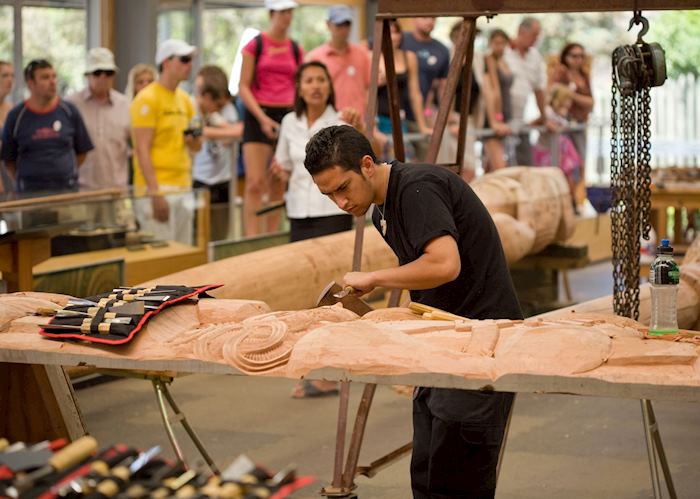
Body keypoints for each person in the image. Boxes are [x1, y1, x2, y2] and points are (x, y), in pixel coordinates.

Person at [304, 125, 522, 498]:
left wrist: (374, 278)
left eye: (343, 188)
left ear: (368, 165)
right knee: (428, 473)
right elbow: (428, 275)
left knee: (458, 478)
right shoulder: (382, 212)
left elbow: (444, 264)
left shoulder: (417, 189)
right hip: (445, 340)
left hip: (480, 341)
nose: (340, 203)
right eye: (329, 195)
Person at [272, 62, 362, 397]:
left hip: (332, 211)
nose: (315, 86)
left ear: (329, 85)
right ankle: (307, 366)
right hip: (299, 213)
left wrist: (360, 125)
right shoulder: (289, 122)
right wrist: (278, 173)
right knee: (305, 293)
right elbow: (282, 163)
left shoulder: (340, 120)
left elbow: (364, 158)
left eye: (321, 79)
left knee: (334, 295)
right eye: (308, 80)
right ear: (298, 86)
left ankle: (333, 369)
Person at [239, 0, 303, 236]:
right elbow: (243, 86)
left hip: (287, 113)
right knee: (255, 182)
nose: (287, 17)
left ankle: (272, 234)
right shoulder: (255, 45)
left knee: (279, 178)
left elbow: (298, 84)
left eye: (290, 12)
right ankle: (252, 236)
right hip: (259, 113)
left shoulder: (295, 48)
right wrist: (262, 118)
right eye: (283, 11)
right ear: (272, 13)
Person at [130, 39, 201, 242]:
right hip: (156, 189)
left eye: (190, 60)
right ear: (166, 62)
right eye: (184, 60)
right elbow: (142, 149)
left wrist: (193, 141)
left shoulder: (186, 100)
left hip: (184, 186)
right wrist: (155, 193)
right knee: (160, 256)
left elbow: (196, 145)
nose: (189, 66)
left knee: (184, 254)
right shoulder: (146, 99)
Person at [1, 59, 93, 194]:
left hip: (66, 190)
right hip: (30, 193)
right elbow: (9, 160)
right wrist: (28, 181)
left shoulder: (69, 111)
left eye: (54, 76)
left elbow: (82, 152)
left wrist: (64, 173)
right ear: (31, 83)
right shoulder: (16, 116)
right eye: (45, 77)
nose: (52, 82)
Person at [67, 48, 130, 190]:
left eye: (108, 73)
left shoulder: (125, 105)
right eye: (97, 73)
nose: (103, 78)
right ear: (87, 75)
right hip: (82, 189)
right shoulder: (71, 105)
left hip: (116, 189)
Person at [306, 5, 371, 117]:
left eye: (347, 24)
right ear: (328, 25)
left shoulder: (362, 54)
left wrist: (371, 117)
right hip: (328, 120)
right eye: (339, 25)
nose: (343, 30)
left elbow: (369, 89)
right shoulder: (316, 57)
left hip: (358, 120)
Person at [192, 65, 242, 208]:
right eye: (218, 104)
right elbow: (196, 135)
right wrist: (217, 131)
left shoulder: (226, 110)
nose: (221, 107)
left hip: (224, 180)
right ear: (206, 97)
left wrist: (207, 132)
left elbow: (238, 132)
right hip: (199, 179)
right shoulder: (192, 108)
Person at [550, 42, 593, 204]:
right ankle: (566, 200)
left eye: (581, 56)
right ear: (566, 57)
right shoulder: (560, 74)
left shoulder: (584, 76)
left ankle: (576, 198)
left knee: (579, 164)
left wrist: (573, 95)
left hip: (579, 125)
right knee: (567, 165)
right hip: (564, 126)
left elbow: (590, 102)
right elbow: (555, 98)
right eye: (574, 56)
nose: (578, 60)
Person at [401, 17, 450, 160]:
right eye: (425, 17)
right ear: (413, 18)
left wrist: (445, 117)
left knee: (426, 163)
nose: (430, 21)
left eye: (433, 18)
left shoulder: (441, 50)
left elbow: (442, 87)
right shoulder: (399, 40)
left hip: (422, 115)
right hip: (394, 116)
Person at [504, 17, 548, 166]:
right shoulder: (504, 51)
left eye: (538, 35)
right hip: (502, 118)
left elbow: (539, 88)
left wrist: (543, 115)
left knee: (525, 163)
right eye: (534, 35)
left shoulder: (535, 56)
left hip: (520, 120)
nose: (536, 39)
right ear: (521, 32)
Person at [377, 20, 430, 142]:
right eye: (389, 33)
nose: (393, 37)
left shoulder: (408, 57)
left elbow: (415, 93)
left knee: (402, 157)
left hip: (400, 118)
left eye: (396, 32)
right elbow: (367, 92)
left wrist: (422, 126)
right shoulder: (372, 56)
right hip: (379, 119)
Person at [533, 83, 581, 207]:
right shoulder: (548, 113)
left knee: (567, 174)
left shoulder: (562, 116)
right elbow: (536, 122)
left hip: (557, 153)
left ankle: (570, 200)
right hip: (546, 152)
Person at [481, 29, 514, 172]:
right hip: (495, 115)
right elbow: (495, 91)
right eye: (496, 43)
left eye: (502, 43)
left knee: (491, 166)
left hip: (505, 113)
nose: (499, 46)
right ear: (490, 43)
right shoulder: (490, 60)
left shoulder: (504, 61)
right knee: (500, 167)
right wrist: (497, 117)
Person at [0, 60, 15, 194]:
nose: (10, 80)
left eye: (12, 75)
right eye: (5, 75)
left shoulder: (12, 110)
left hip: (9, 175)